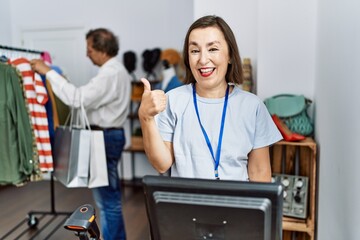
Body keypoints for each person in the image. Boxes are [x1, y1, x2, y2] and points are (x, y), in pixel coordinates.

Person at [138, 15, 282, 182]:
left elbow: (260, 173)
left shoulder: (252, 106)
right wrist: (146, 118)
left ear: (229, 55)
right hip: (187, 206)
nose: (203, 60)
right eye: (194, 51)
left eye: (212, 49)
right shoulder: (174, 101)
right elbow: (162, 164)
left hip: (237, 206)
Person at [31, 28, 130, 240]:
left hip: (104, 138)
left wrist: (48, 72)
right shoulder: (117, 71)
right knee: (109, 199)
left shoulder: (110, 74)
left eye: (90, 49)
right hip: (110, 136)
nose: (87, 54)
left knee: (107, 201)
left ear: (102, 50)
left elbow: (77, 98)